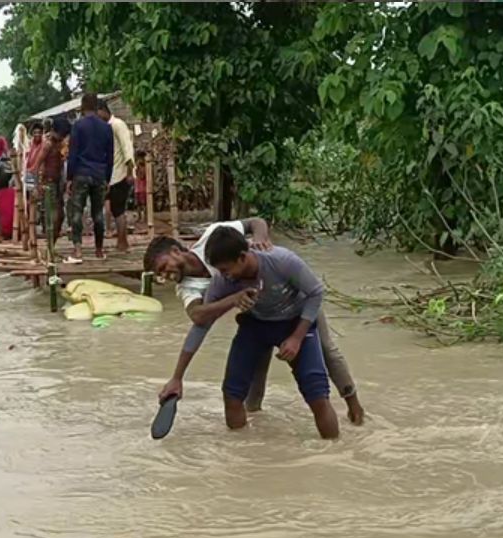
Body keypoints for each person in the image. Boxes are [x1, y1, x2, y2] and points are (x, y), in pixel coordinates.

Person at [144, 220, 365, 424]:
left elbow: (256, 222)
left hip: (287, 298)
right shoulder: (188, 287)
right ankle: (256, 428)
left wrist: (261, 238)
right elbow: (200, 319)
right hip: (255, 309)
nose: (165, 275)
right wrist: (177, 377)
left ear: (175, 251)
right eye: (159, 274)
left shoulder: (216, 237)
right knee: (254, 367)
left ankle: (353, 404)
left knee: (326, 350)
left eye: (163, 266)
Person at [65, 93, 114, 262]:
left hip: (81, 173)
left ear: (82, 106)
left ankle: (78, 250)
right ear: (96, 107)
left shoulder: (78, 126)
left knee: (77, 211)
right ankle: (99, 249)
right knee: (98, 213)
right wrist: (107, 177)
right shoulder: (106, 128)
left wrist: (69, 178)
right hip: (99, 173)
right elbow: (110, 156)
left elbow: (73, 154)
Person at [97, 100, 135, 252]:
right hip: (111, 175)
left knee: (118, 210)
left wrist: (130, 171)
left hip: (121, 173)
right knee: (113, 209)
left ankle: (123, 241)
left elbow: (127, 148)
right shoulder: (106, 128)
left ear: (103, 110)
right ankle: (120, 240)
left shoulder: (118, 124)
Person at [30, 117, 70, 244]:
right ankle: (50, 246)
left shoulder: (60, 144)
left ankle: (52, 244)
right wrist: (37, 186)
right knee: (53, 215)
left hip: (58, 183)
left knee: (60, 215)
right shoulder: (47, 145)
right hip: (49, 182)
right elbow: (35, 167)